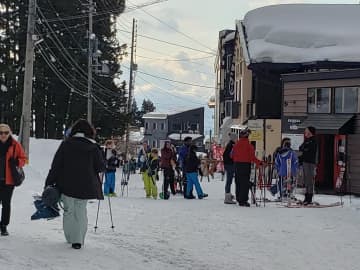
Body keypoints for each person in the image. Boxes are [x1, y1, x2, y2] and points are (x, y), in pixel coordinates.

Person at [45, 119, 105, 249]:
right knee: (81, 211)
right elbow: (100, 167)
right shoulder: (94, 146)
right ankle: (78, 240)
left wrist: (48, 183)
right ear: (89, 132)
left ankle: (71, 237)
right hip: (86, 185)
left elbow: (56, 165)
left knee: (69, 211)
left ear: (74, 130)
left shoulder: (66, 144)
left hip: (66, 184)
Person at [0, 124, 26, 236]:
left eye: (6, 132)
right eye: (1, 133)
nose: (3, 135)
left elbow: (24, 159)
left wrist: (16, 162)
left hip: (8, 180)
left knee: (6, 204)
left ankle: (4, 226)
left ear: (9, 133)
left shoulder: (15, 145)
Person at [232, 127, 262, 207]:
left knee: (238, 182)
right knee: (244, 183)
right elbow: (252, 157)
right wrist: (260, 163)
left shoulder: (236, 145)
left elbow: (231, 155)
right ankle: (243, 200)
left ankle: (238, 198)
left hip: (237, 165)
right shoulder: (249, 146)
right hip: (245, 165)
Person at [299, 126, 318, 205]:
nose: (305, 133)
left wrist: (305, 149)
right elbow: (301, 148)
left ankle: (309, 198)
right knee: (306, 180)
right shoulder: (306, 140)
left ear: (310, 132)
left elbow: (309, 150)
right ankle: (306, 197)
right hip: (304, 162)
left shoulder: (313, 140)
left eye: (306, 131)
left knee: (309, 180)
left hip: (310, 162)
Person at [223, 132, 237, 204]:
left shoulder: (229, 145)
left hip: (227, 164)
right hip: (230, 164)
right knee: (229, 180)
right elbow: (231, 156)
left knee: (229, 180)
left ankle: (228, 194)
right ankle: (227, 197)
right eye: (236, 137)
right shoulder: (231, 146)